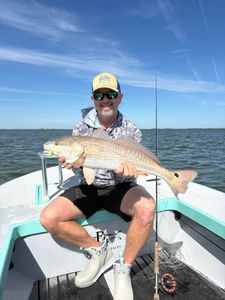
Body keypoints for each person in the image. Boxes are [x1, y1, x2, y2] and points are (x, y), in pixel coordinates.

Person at [40, 72, 155, 300]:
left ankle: (123, 267)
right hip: (89, 187)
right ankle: (98, 249)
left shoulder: (131, 129)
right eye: (99, 95)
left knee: (147, 208)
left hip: (119, 187)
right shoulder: (80, 128)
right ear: (92, 99)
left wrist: (127, 171)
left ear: (120, 97)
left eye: (111, 94)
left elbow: (131, 168)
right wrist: (73, 164)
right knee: (49, 218)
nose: (105, 99)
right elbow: (80, 169)